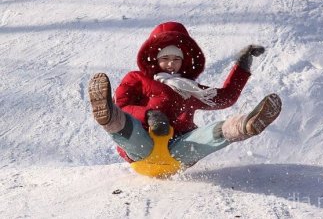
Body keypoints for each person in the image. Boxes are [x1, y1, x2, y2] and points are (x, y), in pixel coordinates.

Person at [88, 21, 282, 166]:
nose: (171, 63)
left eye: (176, 59)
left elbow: (225, 98)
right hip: (143, 148)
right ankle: (109, 117)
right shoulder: (138, 79)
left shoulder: (191, 90)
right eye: (165, 58)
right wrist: (148, 114)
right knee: (128, 126)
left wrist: (242, 65)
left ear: (184, 61)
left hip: (177, 153)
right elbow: (123, 104)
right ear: (155, 60)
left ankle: (245, 125)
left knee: (207, 134)